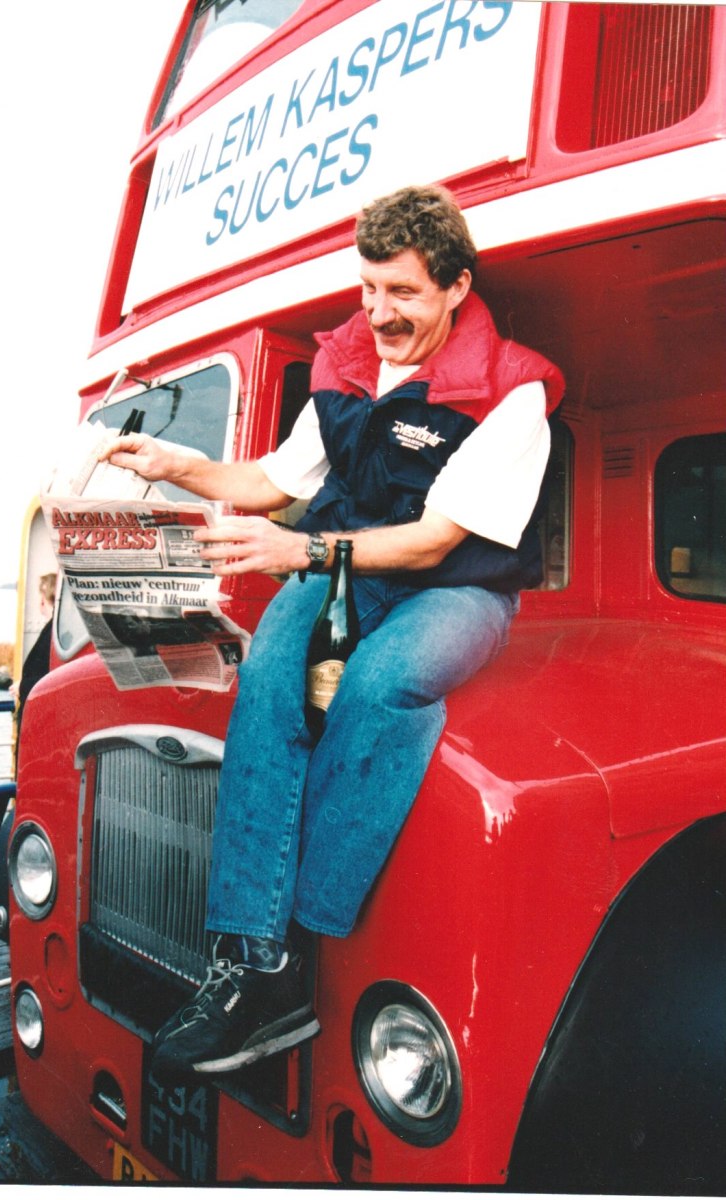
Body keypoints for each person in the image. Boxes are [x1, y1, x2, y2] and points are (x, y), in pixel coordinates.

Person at [100, 185, 564, 1079]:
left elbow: (435, 541)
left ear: (456, 287)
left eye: (403, 293)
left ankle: (309, 938)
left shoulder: (513, 392)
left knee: (383, 681)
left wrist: (303, 550)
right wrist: (177, 464)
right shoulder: (348, 360)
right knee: (272, 665)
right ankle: (254, 962)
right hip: (347, 563)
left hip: (462, 589)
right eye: (369, 289)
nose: (379, 314)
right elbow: (274, 481)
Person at [10, 572, 57, 743]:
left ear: (43, 600)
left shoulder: (52, 633)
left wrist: (23, 686)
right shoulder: (57, 632)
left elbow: (50, 676)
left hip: (41, 724)